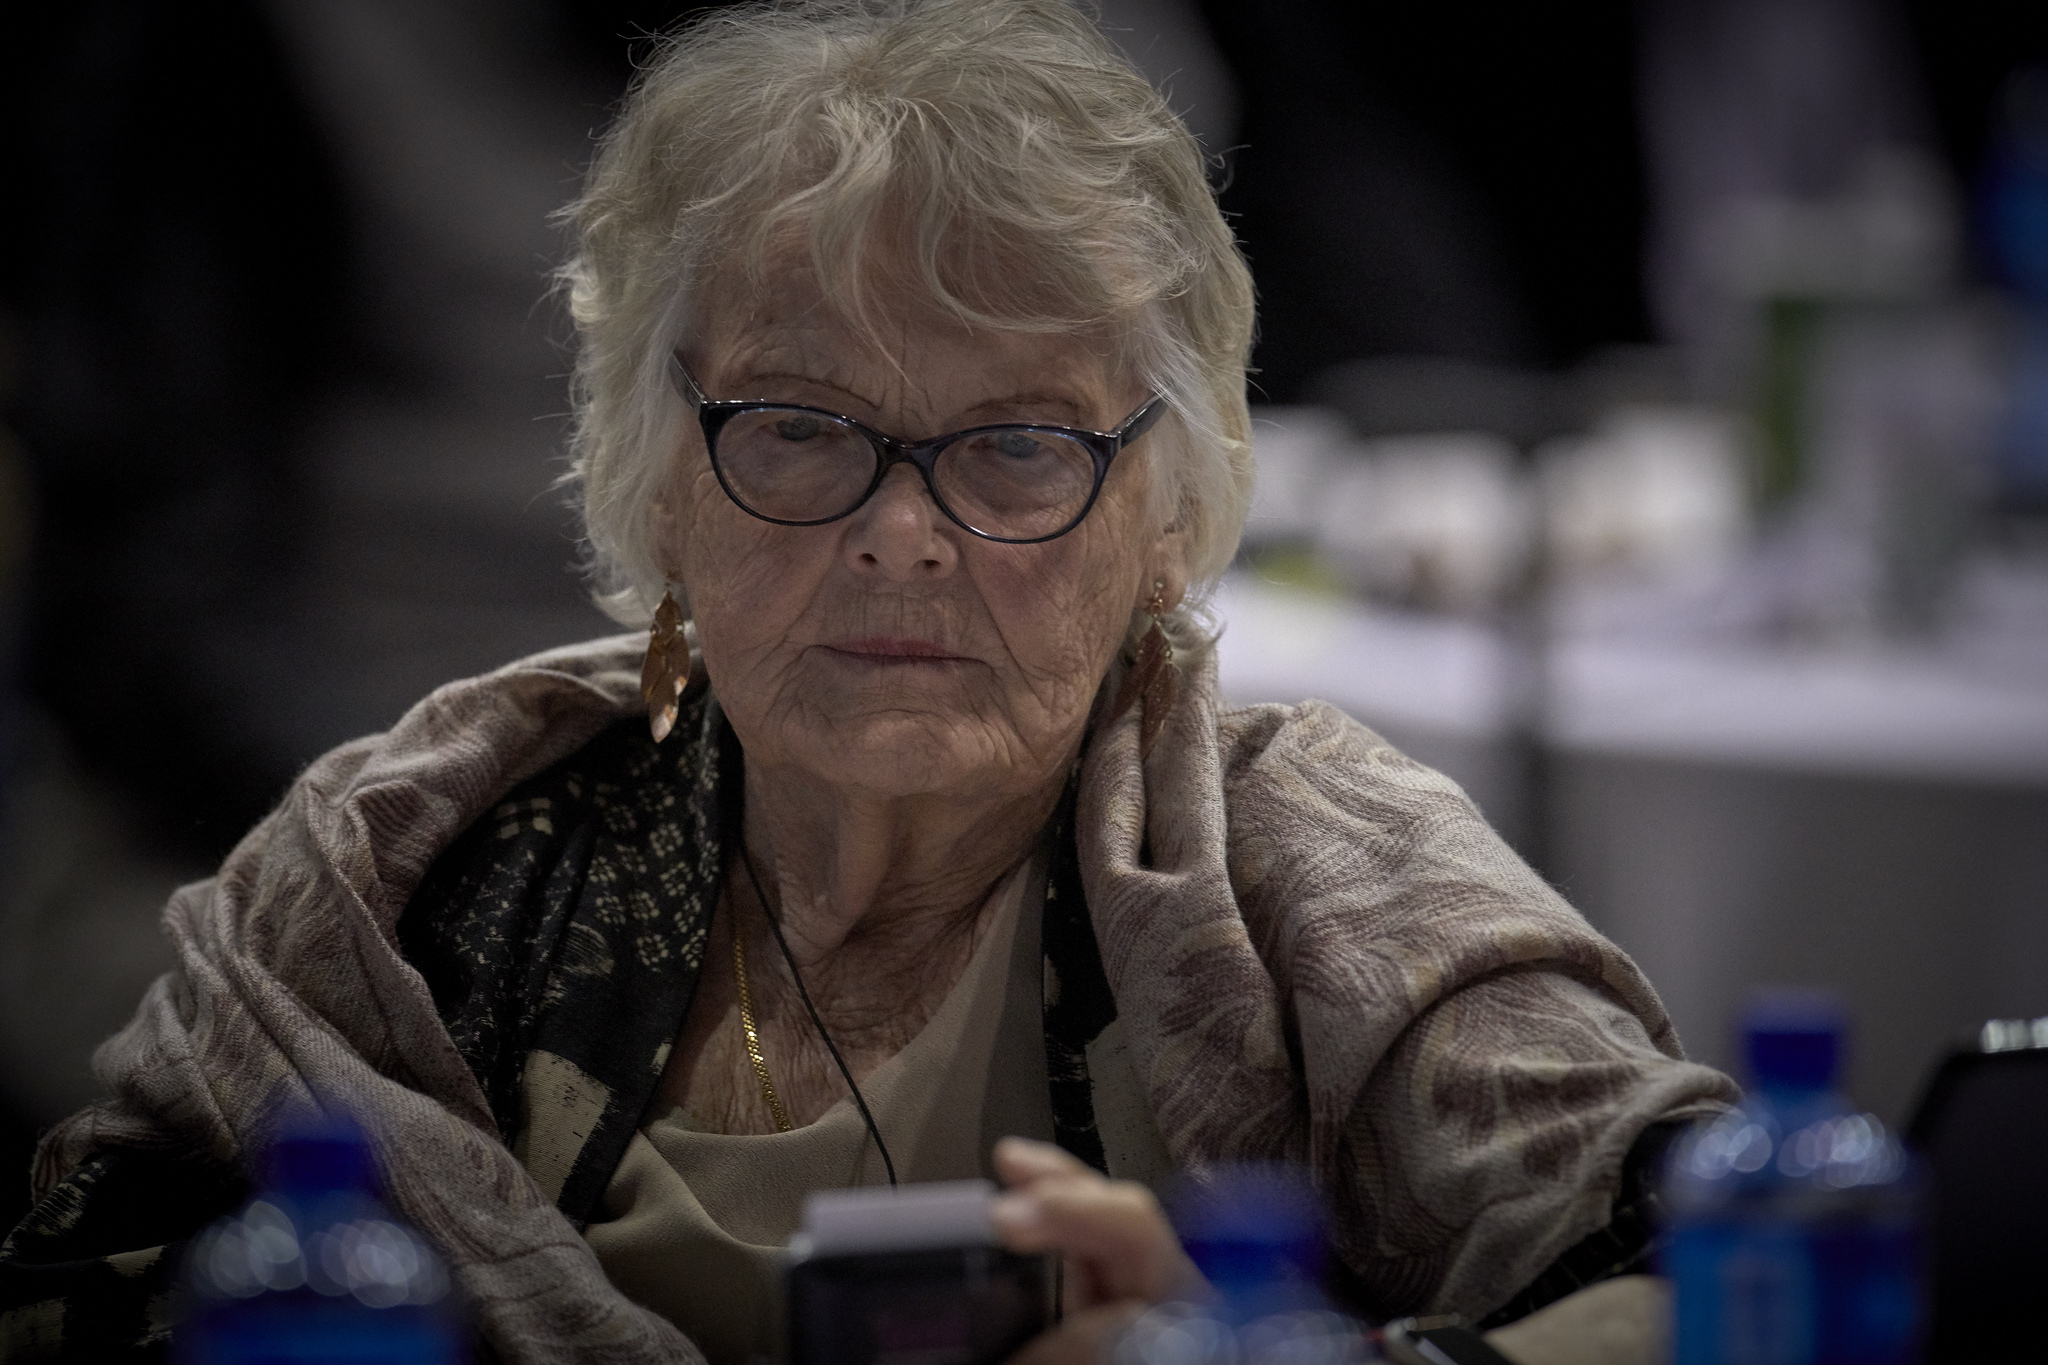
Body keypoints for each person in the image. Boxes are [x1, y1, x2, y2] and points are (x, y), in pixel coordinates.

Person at [0, 2, 1735, 1361]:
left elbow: (1734, 1271)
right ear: (659, 484)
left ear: (1168, 514)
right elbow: (89, 1280)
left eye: (1019, 446)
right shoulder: (413, 866)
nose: (906, 534)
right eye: (802, 428)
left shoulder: (1309, 875)